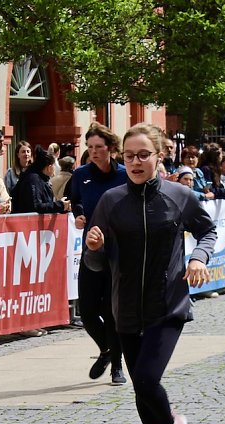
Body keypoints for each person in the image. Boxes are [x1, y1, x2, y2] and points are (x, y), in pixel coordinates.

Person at [83, 122, 217, 424]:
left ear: (159, 156)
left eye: (144, 155)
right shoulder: (111, 202)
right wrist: (94, 248)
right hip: (124, 306)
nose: (136, 162)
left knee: (146, 378)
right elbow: (94, 263)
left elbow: (208, 230)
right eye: (129, 156)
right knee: (142, 391)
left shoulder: (178, 195)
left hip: (167, 303)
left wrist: (199, 258)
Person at [69, 122, 129, 386]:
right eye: (90, 147)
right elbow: (76, 201)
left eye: (99, 147)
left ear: (111, 149)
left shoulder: (125, 175)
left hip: (117, 251)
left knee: (112, 310)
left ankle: (117, 365)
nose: (93, 152)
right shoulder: (81, 174)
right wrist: (79, 216)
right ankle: (106, 350)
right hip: (91, 249)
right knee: (89, 311)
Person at [11, 145, 71, 215]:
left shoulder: (40, 179)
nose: (56, 168)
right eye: (54, 165)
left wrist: (62, 207)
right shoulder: (33, 179)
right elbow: (36, 206)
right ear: (49, 167)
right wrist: (60, 205)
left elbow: (46, 205)